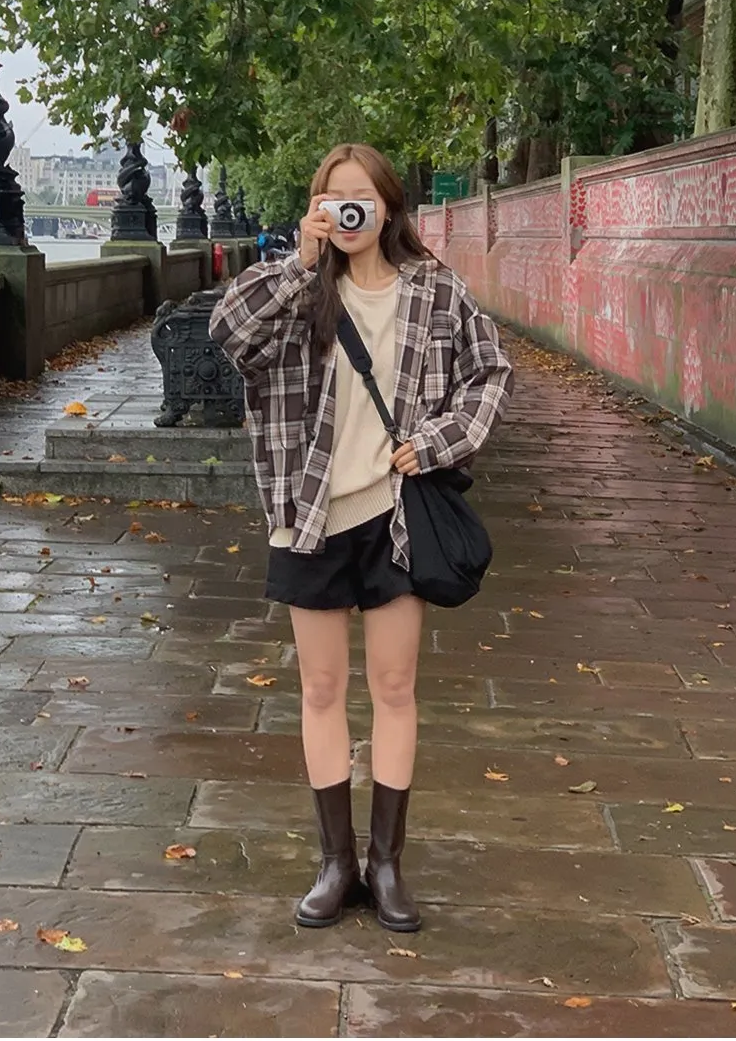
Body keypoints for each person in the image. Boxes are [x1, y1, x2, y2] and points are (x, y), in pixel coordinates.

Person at [209, 143, 514, 932]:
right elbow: (228, 332)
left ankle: (385, 864)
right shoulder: (295, 289)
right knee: (319, 689)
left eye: (361, 198)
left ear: (388, 206)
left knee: (395, 687)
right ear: (316, 208)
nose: (348, 211)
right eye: (332, 199)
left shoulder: (435, 290)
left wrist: (439, 441)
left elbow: (491, 372)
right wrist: (299, 262)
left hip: (396, 515)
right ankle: (335, 861)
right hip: (307, 514)